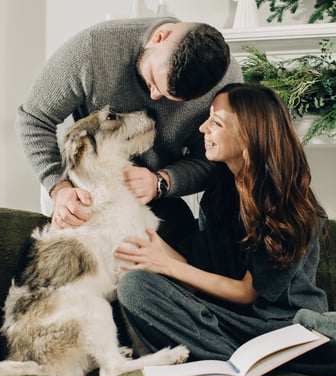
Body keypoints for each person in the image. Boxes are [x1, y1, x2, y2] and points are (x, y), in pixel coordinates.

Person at [114, 83, 336, 376]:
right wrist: (141, 235)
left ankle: (226, 359)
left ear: (247, 135)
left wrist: (164, 263)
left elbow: (246, 292)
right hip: (224, 320)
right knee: (135, 286)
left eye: (215, 122)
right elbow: (195, 275)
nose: (202, 128)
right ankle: (240, 362)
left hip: (286, 327)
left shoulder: (290, 206)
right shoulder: (219, 193)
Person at [16, 17, 243, 241]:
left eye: (175, 99)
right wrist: (59, 187)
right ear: (159, 37)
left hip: (155, 196)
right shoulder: (92, 48)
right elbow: (34, 118)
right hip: (79, 191)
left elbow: (214, 159)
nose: (154, 97)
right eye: (154, 81)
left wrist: (161, 181)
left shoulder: (226, 82)